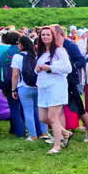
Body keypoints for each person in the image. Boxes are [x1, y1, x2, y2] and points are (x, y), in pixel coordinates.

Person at [34, 26, 72, 154]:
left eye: (48, 34)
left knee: (53, 117)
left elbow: (67, 68)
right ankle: (65, 133)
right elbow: (37, 67)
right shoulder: (41, 52)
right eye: (43, 35)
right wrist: (38, 69)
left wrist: (50, 68)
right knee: (43, 117)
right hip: (43, 87)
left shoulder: (60, 51)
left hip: (56, 87)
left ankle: (57, 145)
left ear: (53, 36)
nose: (45, 37)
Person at [10, 35, 47, 141]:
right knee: (40, 109)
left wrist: (13, 89)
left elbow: (15, 75)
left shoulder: (17, 57)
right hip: (37, 86)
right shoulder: (36, 56)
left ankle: (33, 135)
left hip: (23, 87)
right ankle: (44, 132)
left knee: (28, 111)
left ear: (21, 45)